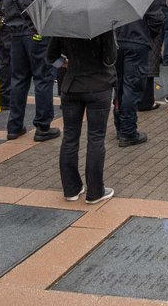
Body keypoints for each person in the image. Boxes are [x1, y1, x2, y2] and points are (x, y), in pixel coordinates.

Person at [48, 28, 117, 204]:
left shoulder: (64, 24)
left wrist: (67, 63)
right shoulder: (103, 23)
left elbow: (51, 57)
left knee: (70, 137)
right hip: (98, 85)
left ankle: (71, 189)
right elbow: (110, 59)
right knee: (96, 138)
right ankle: (95, 191)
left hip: (71, 86)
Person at [2, 0, 59, 142]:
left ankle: (14, 125)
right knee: (43, 78)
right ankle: (43, 126)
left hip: (14, 34)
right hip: (36, 34)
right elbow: (51, 4)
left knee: (18, 79)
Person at [113, 0, 165, 147]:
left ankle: (119, 125)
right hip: (138, 41)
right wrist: (148, 35)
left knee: (118, 85)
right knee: (132, 86)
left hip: (116, 41)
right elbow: (156, 18)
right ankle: (128, 131)